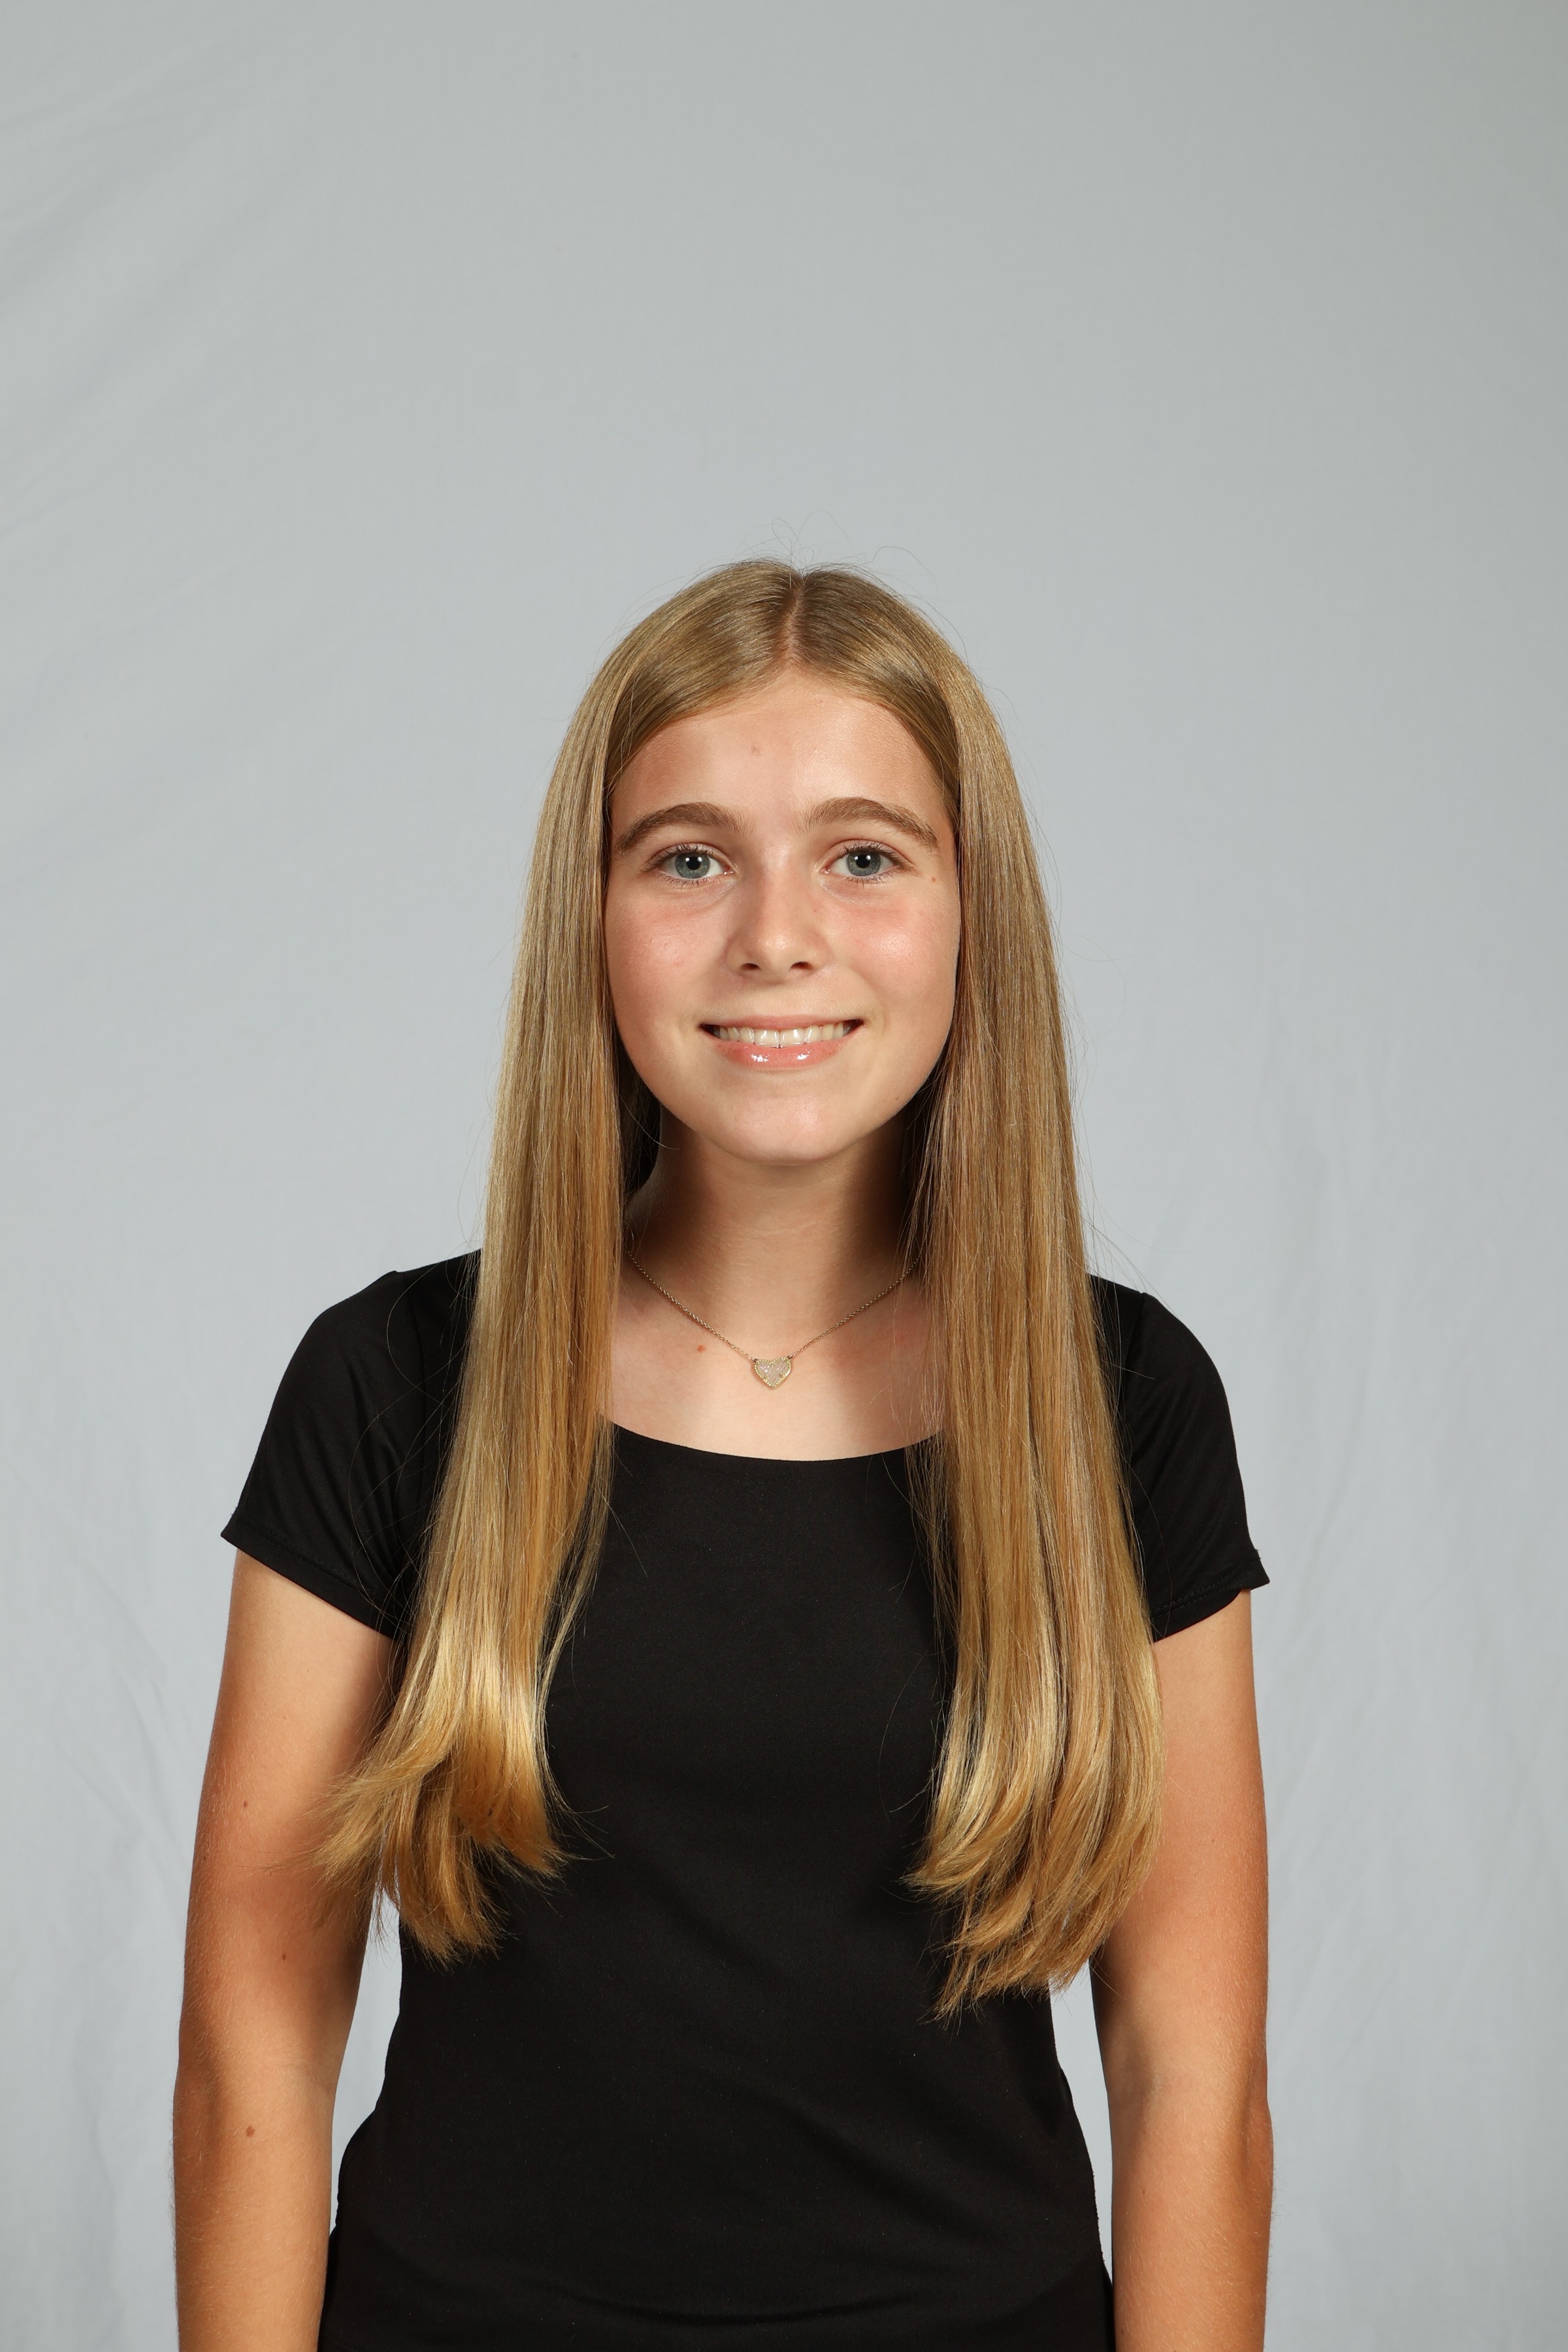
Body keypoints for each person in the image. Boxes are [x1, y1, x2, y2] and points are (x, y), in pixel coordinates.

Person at [173, 562, 1272, 2351]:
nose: (778, 935)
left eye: (865, 857)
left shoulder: (1122, 1400)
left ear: (971, 912)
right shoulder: (391, 1385)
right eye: (689, 859)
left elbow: (1192, 2075)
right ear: (593, 916)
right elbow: (254, 2049)